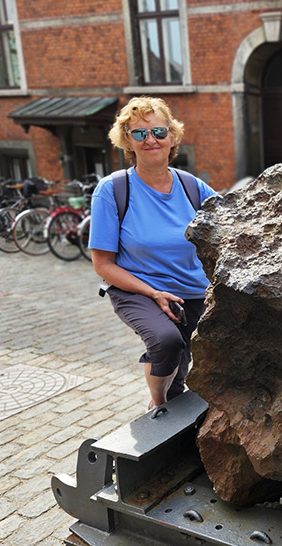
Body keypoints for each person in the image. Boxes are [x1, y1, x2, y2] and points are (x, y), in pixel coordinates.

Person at [89, 97, 216, 411]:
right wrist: (153, 292)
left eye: (159, 131)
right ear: (127, 141)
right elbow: (102, 264)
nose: (151, 140)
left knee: (184, 365)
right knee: (166, 341)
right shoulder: (113, 190)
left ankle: (171, 412)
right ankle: (156, 407)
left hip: (193, 293)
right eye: (139, 133)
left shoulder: (193, 187)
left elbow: (235, 222)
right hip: (138, 289)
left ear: (172, 137)